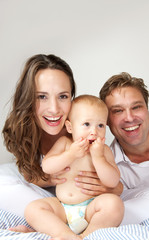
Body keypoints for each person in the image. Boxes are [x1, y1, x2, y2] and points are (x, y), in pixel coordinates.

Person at [1, 54, 122, 218]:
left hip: (91, 204)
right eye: (42, 96)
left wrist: (109, 187)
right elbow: (30, 175)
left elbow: (117, 183)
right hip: (62, 205)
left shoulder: (83, 130)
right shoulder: (24, 130)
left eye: (63, 96)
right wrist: (52, 177)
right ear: (28, 98)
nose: (54, 108)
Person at [15, 95, 124, 240]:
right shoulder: (65, 144)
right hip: (63, 208)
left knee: (114, 204)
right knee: (33, 209)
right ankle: (63, 234)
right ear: (70, 127)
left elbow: (112, 181)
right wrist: (70, 155)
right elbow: (47, 167)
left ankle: (86, 235)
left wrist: (99, 158)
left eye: (100, 125)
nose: (94, 131)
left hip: (91, 208)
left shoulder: (103, 151)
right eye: (86, 124)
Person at [99, 72, 149, 224]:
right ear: (106, 119)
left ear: (146, 108)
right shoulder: (109, 169)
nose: (130, 118)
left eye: (136, 107)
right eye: (118, 111)